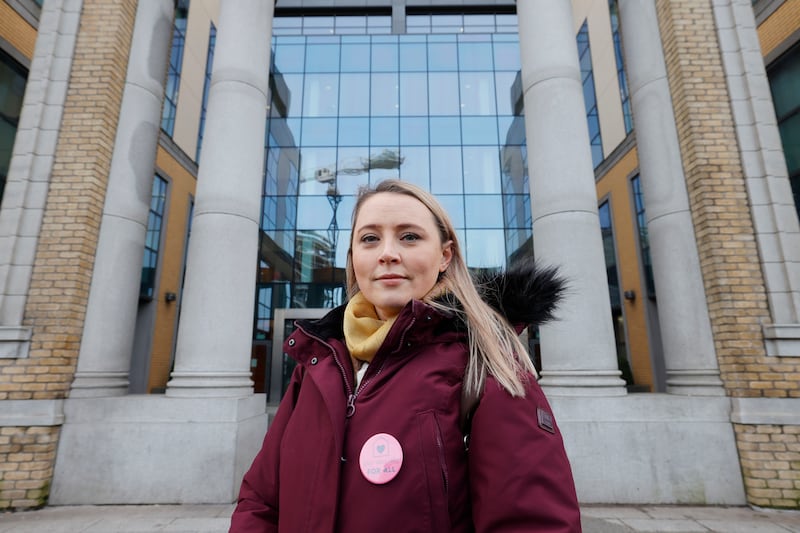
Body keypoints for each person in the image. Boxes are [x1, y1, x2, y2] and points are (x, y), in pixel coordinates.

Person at [229, 179, 581, 532]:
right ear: (354, 259)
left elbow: (533, 523)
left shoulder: (486, 361)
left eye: (409, 236)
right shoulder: (318, 363)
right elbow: (261, 500)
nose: (387, 253)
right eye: (369, 238)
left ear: (445, 256)